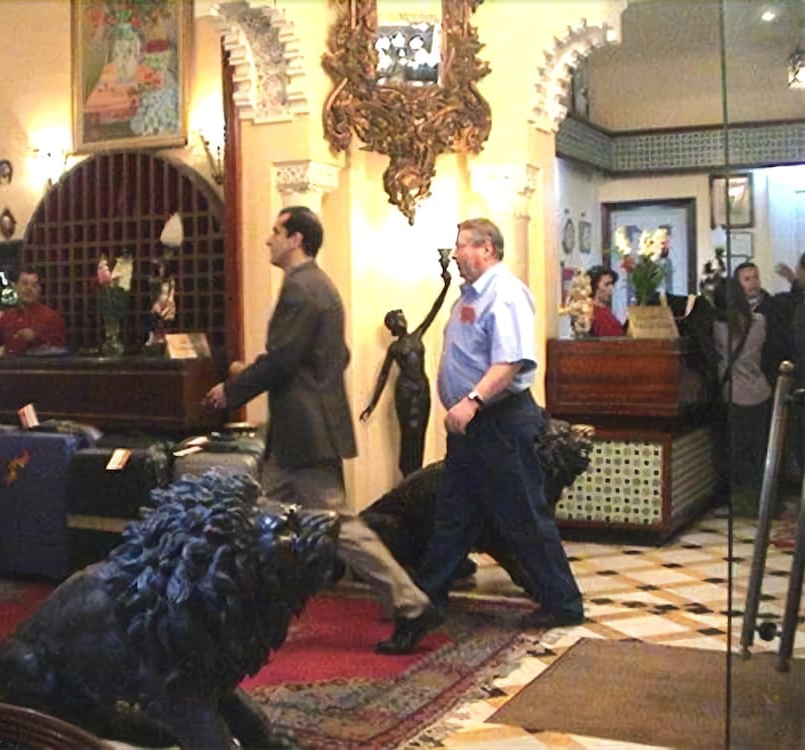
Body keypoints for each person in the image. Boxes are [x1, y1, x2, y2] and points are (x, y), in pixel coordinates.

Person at [202, 206, 437, 652]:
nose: (268, 239)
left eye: (276, 231)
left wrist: (232, 390)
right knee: (261, 521)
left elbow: (283, 358)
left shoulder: (302, 287)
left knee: (336, 526)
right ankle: (249, 611)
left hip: (305, 434)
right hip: (304, 430)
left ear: (296, 240)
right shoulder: (319, 286)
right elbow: (336, 355)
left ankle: (410, 604)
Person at [378, 217, 584, 655]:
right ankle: (425, 606)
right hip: (472, 430)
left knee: (525, 517)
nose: (455, 254)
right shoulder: (468, 297)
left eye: (462, 245)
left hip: (500, 423)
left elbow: (510, 362)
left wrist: (471, 400)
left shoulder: (504, 293)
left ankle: (564, 603)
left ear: (486, 249)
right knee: (452, 519)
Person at [359, 267, 452, 476]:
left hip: (422, 390)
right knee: (408, 436)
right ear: (393, 325)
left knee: (419, 435)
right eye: (398, 318)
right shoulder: (394, 348)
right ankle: (407, 476)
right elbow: (384, 375)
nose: (403, 319)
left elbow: (434, 310)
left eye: (402, 316)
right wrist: (372, 404)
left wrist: (446, 285)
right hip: (406, 393)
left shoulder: (417, 335)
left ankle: (416, 475)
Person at [713, 276, 771, 517]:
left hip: (735, 394)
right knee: (758, 451)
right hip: (760, 391)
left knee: (736, 453)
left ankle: (739, 503)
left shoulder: (718, 328)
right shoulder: (759, 321)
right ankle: (761, 501)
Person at [0, 266, 66, 356]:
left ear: (40, 289)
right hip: (9, 368)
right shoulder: (9, 316)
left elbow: (59, 349)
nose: (29, 289)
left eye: (34, 285)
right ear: (16, 287)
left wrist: (35, 337)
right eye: (24, 284)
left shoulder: (51, 317)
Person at [586, 265, 624, 337]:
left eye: (612, 284)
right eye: (606, 284)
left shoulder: (605, 309)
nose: (611, 288)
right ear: (594, 286)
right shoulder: (589, 311)